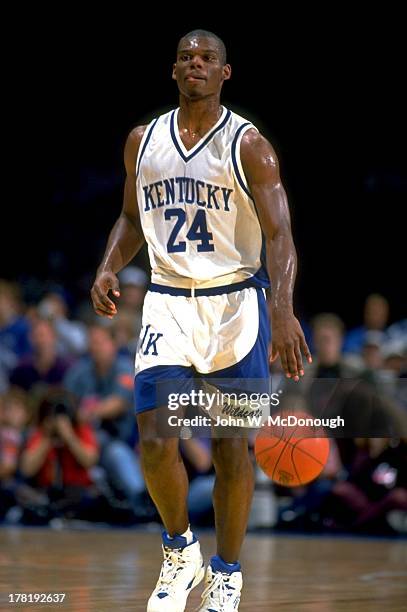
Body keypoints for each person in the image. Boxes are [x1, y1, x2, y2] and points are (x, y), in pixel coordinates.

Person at [91, 29, 311, 612]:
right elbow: (131, 218)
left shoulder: (249, 146)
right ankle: (178, 549)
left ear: (225, 73)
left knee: (232, 449)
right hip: (167, 300)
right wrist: (108, 266)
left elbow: (279, 234)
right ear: (173, 70)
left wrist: (283, 309)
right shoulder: (143, 141)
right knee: (154, 436)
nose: (196, 64)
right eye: (187, 57)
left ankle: (228, 573)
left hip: (237, 304)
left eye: (207, 58)